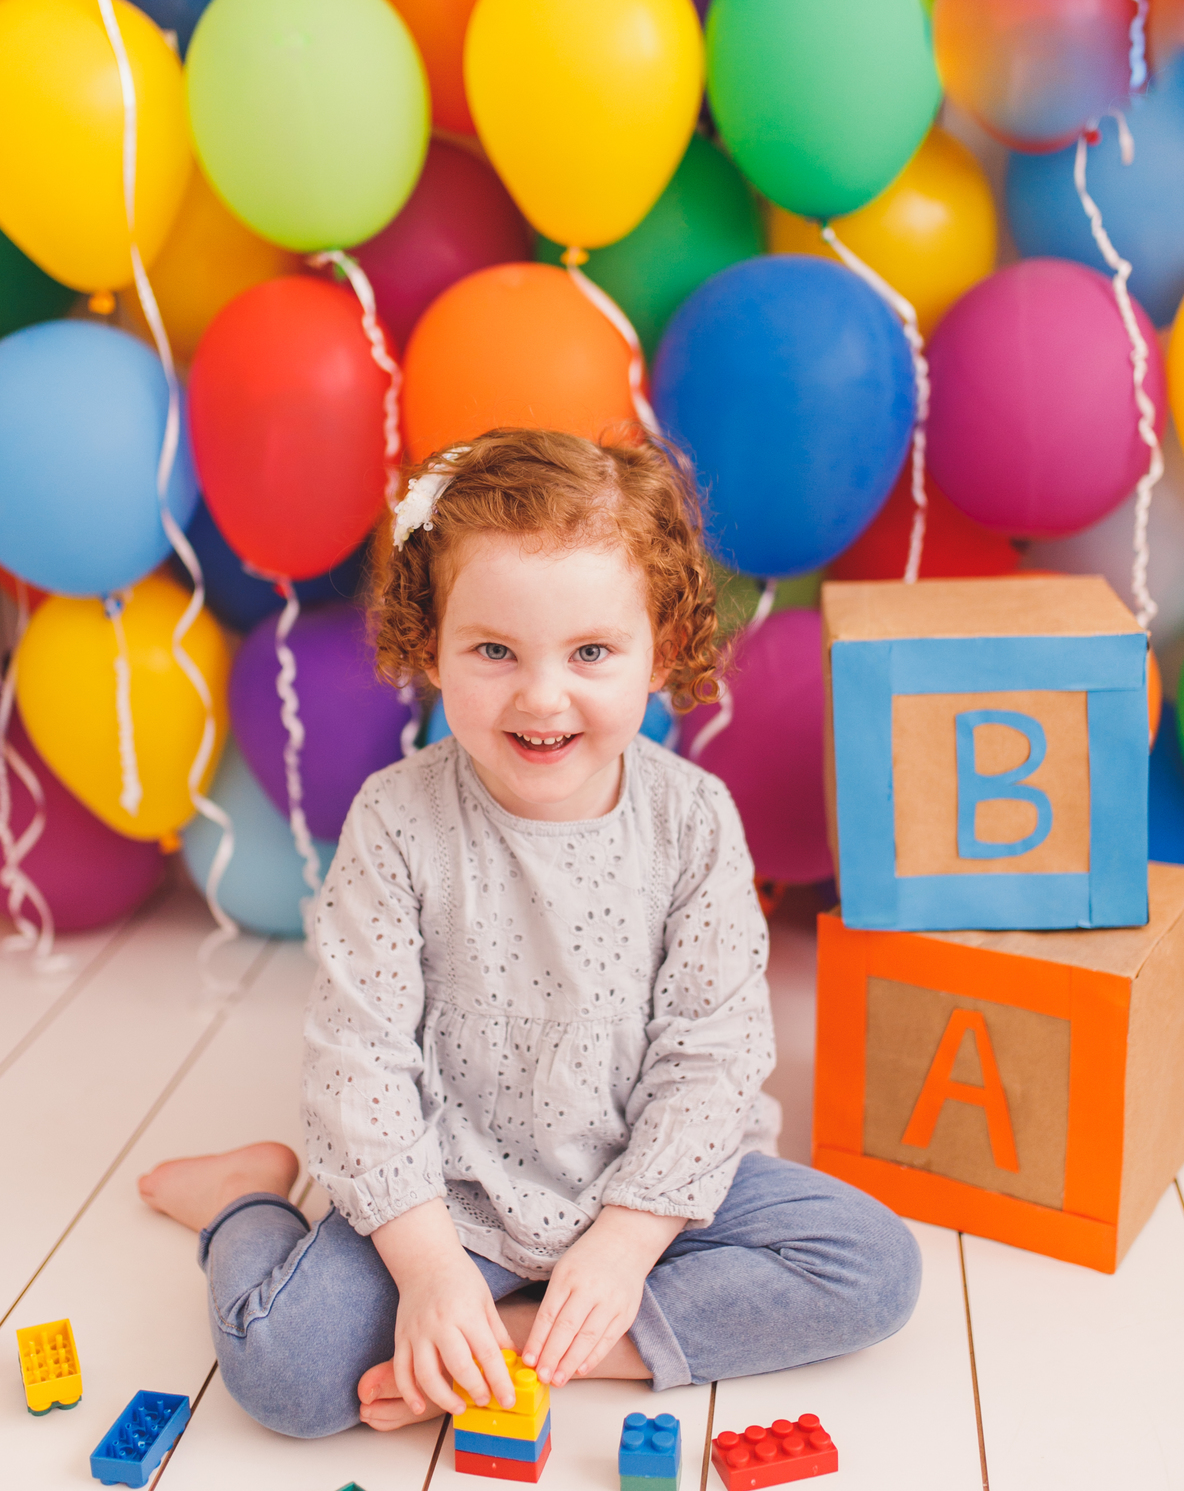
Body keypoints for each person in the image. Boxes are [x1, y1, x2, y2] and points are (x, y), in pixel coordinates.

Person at [139, 428, 920, 1439]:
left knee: (874, 1267)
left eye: (591, 652)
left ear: (661, 650)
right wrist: (425, 1274)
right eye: (495, 651)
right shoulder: (394, 820)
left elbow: (711, 1057)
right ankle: (247, 1199)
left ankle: (527, 1346)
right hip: (452, 1197)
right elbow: (359, 1061)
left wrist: (627, 1245)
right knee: (285, 1374)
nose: (543, 696)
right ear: (432, 648)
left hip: (655, 1190)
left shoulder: (693, 820)